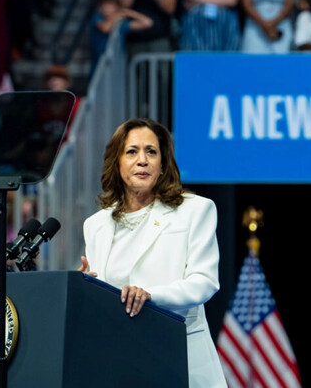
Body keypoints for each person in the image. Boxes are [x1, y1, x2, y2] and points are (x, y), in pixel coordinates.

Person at [78, 118, 227, 388]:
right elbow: (106, 297)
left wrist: (150, 295)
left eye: (151, 151)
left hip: (180, 359)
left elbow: (205, 281)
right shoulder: (95, 225)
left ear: (162, 165)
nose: (142, 160)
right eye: (132, 151)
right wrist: (86, 287)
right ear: (117, 162)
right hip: (121, 363)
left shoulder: (196, 210)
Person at [89, 0, 154, 77]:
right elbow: (106, 28)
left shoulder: (121, 23)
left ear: (117, 7)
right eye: (104, 5)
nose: (106, 9)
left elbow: (147, 23)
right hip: (98, 66)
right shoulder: (98, 18)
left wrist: (129, 13)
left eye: (110, 5)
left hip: (116, 65)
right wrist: (116, 16)